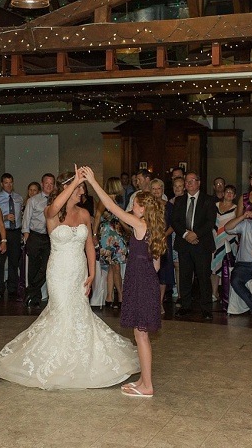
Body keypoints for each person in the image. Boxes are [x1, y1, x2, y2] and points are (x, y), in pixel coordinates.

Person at [0, 167, 139, 391]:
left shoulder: (84, 214)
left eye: (82, 187)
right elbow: (54, 207)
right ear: (67, 188)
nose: (82, 191)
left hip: (78, 270)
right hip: (59, 271)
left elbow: (89, 245)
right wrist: (74, 181)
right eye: (79, 187)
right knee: (61, 311)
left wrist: (92, 273)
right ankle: (57, 360)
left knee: (79, 312)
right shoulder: (51, 212)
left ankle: (80, 357)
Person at [83, 165, 166, 397]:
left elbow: (111, 207)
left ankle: (147, 386)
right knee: (141, 334)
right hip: (147, 281)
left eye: (136, 205)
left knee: (141, 335)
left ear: (142, 209)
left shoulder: (140, 225)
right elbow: (156, 265)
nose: (132, 207)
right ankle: (143, 380)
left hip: (140, 283)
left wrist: (93, 181)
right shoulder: (153, 228)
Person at [172, 172, 217, 320]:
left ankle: (206, 308)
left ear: (199, 183)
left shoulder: (208, 200)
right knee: (185, 276)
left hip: (201, 243)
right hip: (184, 243)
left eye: (192, 181)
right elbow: (175, 221)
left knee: (203, 277)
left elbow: (210, 222)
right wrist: (186, 235)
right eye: (187, 181)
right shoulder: (179, 200)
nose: (189, 183)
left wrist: (195, 234)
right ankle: (185, 306)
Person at [92, 177, 128, 309]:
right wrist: (94, 235)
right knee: (115, 267)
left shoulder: (114, 200)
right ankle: (121, 296)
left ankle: (109, 297)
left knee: (113, 267)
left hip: (116, 236)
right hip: (108, 237)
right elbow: (97, 216)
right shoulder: (105, 200)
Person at [22, 173, 55, 309]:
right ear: (42, 184)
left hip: (50, 237)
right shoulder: (33, 200)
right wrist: (27, 237)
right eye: (46, 183)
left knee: (47, 266)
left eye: (51, 183)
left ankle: (30, 290)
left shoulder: (57, 200)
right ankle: (35, 298)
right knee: (33, 268)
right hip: (35, 236)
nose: (49, 186)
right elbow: (26, 220)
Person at [0, 173, 23, 299]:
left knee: (14, 261)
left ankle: (12, 289)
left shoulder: (19, 198)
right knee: (0, 262)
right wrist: (4, 217)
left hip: (15, 232)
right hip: (2, 232)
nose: (9, 185)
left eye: (10, 183)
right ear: (1, 184)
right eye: (6, 183)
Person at [150, 179, 174, 313]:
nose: (156, 191)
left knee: (163, 272)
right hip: (149, 242)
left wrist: (163, 235)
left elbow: (173, 224)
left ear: (163, 190)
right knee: (150, 272)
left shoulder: (169, 206)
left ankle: (159, 303)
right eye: (153, 189)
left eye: (158, 188)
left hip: (164, 242)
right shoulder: (146, 205)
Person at [211, 184, 238, 302]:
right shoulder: (215, 206)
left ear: (235, 196)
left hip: (229, 241)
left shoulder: (236, 209)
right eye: (227, 192)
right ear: (223, 194)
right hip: (214, 239)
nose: (229, 194)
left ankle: (226, 294)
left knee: (227, 266)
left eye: (232, 192)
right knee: (214, 266)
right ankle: (214, 292)